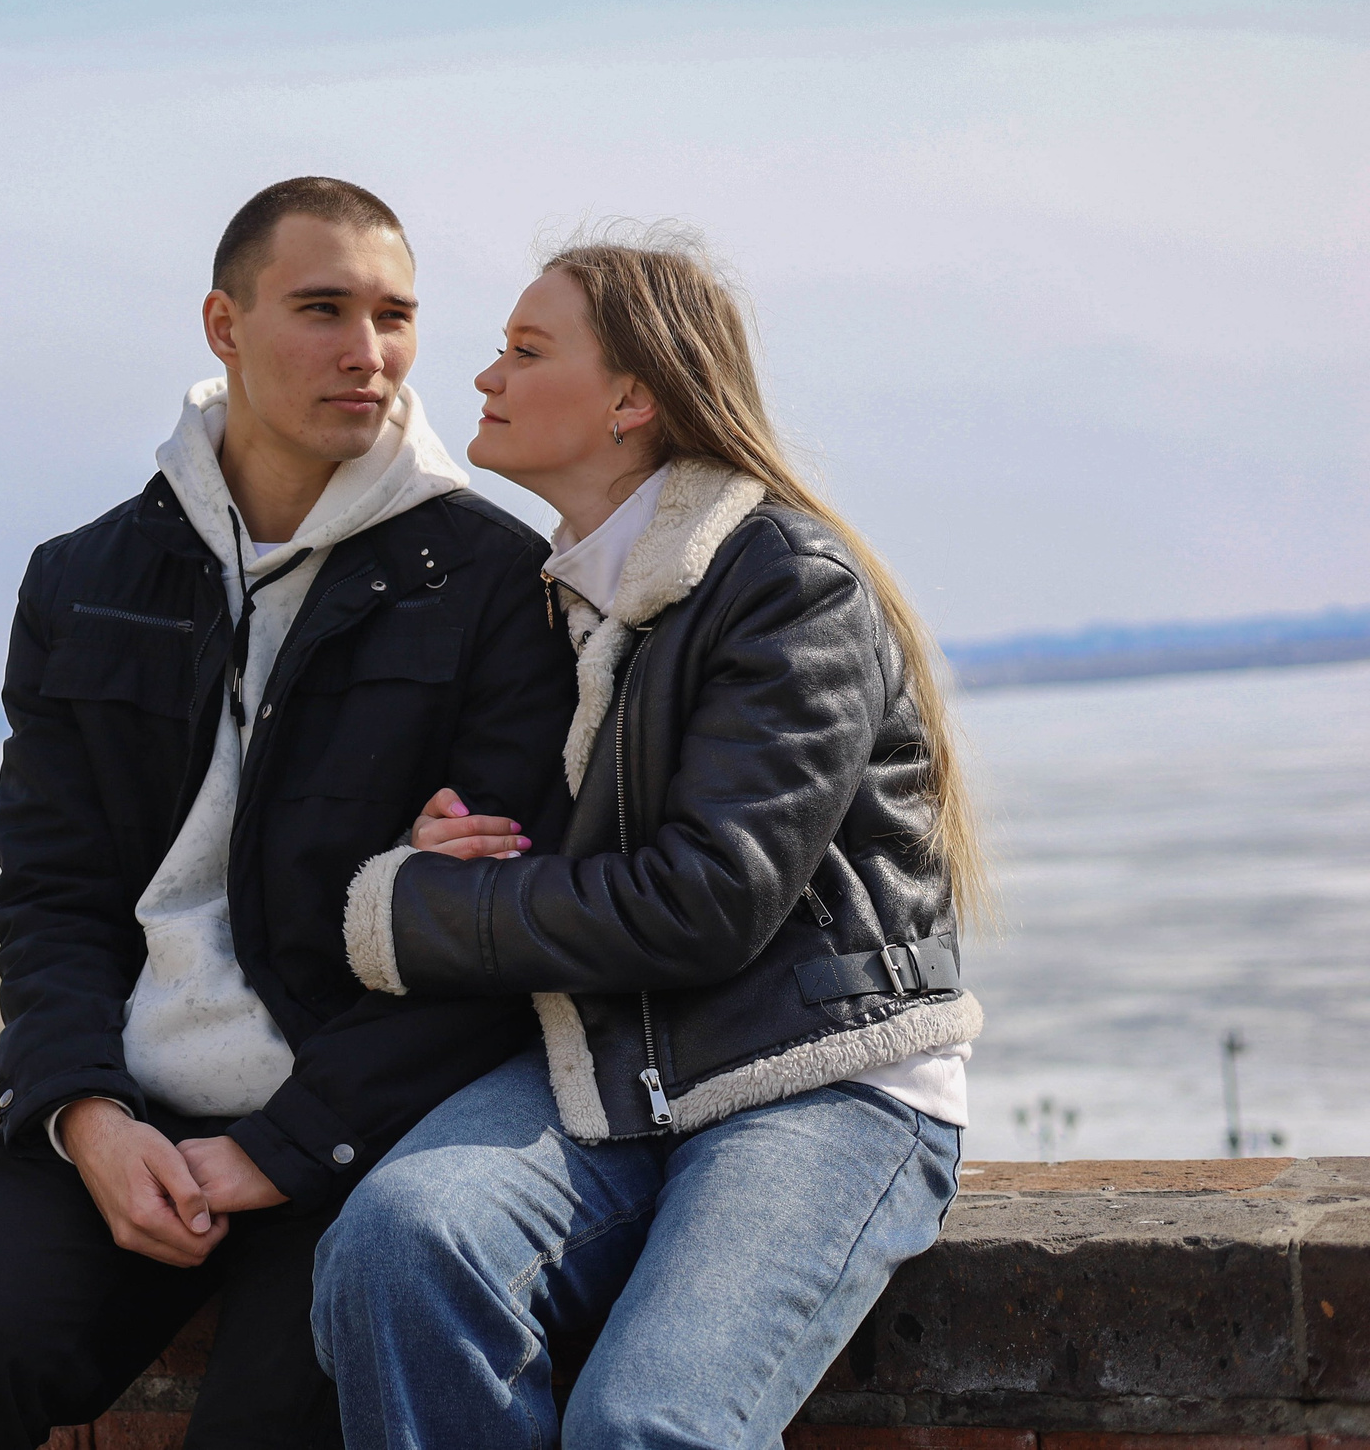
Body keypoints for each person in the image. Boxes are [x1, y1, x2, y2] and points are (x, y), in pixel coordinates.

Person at [0, 178, 579, 1448]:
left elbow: (489, 936)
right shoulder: (85, 581)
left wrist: (283, 1148)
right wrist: (86, 1117)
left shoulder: (495, 582)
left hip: (361, 1127)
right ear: (223, 325)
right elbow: (54, 896)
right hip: (128, 1108)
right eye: (322, 309)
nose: (367, 352)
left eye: (395, 316)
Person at [312, 227, 987, 1450]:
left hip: (816, 1079)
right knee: (396, 1246)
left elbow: (703, 899)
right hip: (612, 1067)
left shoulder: (784, 581)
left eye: (526, 350)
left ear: (632, 398)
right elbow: (573, 841)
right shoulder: (558, 598)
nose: (485, 376)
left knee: (644, 1423)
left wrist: (412, 908)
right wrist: (454, 842)